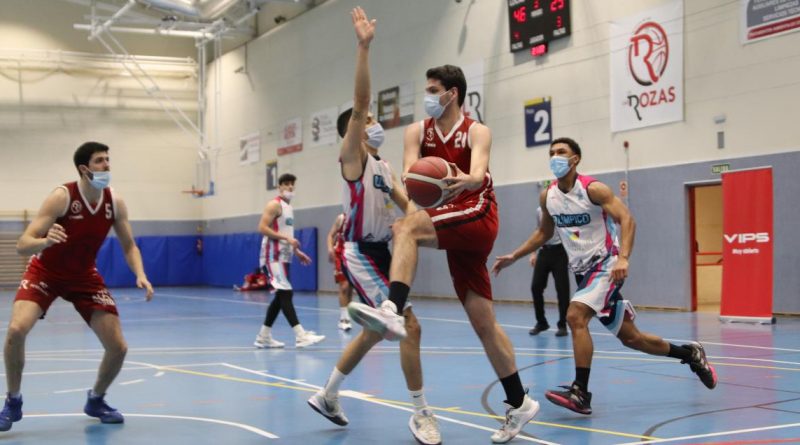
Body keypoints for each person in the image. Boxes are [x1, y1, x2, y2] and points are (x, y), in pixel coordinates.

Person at [348, 63, 539, 442]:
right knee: (483, 323)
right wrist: (422, 193)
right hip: (451, 218)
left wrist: (464, 179)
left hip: (479, 212)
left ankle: (391, 308)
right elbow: (410, 173)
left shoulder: (477, 131)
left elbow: (480, 172)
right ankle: (520, 403)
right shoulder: (417, 131)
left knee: (406, 228)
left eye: (433, 90)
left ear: (452, 93)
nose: (428, 97)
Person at [492, 137, 718, 415]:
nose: (555, 157)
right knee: (633, 339)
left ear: (575, 159)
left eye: (561, 152)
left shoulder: (593, 190)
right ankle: (690, 354)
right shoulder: (548, 196)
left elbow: (627, 219)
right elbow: (544, 233)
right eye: (551, 153)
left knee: (575, 316)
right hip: (582, 274)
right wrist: (514, 255)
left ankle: (580, 392)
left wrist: (623, 257)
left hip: (606, 266)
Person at [307, 8, 441, 445]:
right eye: (367, 121)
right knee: (409, 326)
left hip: (386, 251)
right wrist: (363, 48)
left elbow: (413, 210)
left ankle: (327, 394)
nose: (374, 123)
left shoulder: (384, 167)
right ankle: (421, 412)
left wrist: (450, 201)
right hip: (361, 251)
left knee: (374, 330)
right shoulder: (353, 158)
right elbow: (361, 103)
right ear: (354, 129)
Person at [0, 142, 154, 432]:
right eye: (100, 161)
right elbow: (23, 244)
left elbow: (129, 245)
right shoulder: (62, 196)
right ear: (84, 169)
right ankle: (13, 400)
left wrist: (141, 274)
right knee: (16, 330)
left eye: (108, 159)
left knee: (118, 347)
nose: (107, 165)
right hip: (46, 271)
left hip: (84, 276)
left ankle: (96, 399)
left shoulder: (114, 202)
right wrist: (45, 241)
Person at [253, 173, 325, 349]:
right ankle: (300, 335)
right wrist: (286, 239)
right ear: (279, 187)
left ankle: (263, 337)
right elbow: (262, 228)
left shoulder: (288, 208)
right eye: (286, 184)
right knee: (286, 293)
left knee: (280, 297)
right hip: (272, 256)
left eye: (292, 184)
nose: (290, 187)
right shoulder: (274, 205)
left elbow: (287, 234)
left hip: (284, 256)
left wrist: (296, 250)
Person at [529, 206, 570, 337]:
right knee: (536, 287)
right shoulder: (539, 210)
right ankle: (541, 322)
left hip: (560, 252)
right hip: (544, 251)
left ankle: (563, 324)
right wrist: (533, 252)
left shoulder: (562, 208)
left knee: (562, 290)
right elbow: (538, 230)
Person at [327, 213, 353, 331]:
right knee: (344, 286)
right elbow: (330, 235)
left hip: (354, 255)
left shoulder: (364, 217)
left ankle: (347, 315)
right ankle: (344, 319)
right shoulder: (341, 218)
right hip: (340, 255)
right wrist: (330, 249)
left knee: (350, 287)